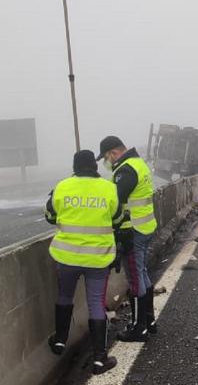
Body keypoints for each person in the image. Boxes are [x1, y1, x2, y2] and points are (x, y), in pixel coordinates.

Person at [45, 150, 123, 375]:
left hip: (66, 257)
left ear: (75, 166)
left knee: (64, 296)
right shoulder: (108, 188)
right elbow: (118, 218)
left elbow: (50, 216)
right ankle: (99, 358)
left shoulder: (62, 186)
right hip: (98, 258)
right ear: (95, 166)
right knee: (96, 303)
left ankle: (60, 341)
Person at [96, 136, 158, 342]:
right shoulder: (138, 163)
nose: (107, 162)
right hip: (146, 226)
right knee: (142, 273)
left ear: (113, 153)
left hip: (133, 230)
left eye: (106, 157)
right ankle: (149, 320)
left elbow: (115, 200)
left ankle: (139, 328)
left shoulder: (125, 170)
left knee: (135, 278)